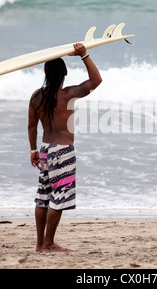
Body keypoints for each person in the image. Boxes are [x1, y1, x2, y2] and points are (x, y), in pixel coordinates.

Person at [28, 43, 102, 252]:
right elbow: (96, 80)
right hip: (62, 152)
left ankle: (40, 244)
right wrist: (84, 55)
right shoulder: (68, 94)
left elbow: (31, 126)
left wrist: (33, 151)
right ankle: (49, 243)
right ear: (65, 73)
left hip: (44, 150)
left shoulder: (36, 97)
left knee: (43, 196)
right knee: (59, 196)